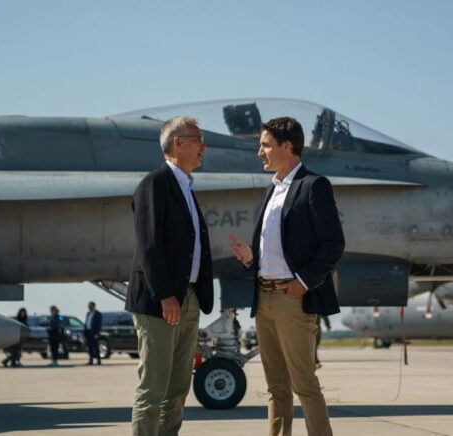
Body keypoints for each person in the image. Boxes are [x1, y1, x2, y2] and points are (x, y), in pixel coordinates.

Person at [229, 117, 345, 436]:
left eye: (265, 145)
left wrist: (303, 282)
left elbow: (333, 244)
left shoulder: (313, 185)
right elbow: (279, 248)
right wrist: (252, 259)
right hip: (263, 298)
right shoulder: (273, 190)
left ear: (287, 146)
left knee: (304, 385)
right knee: (276, 387)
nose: (259, 152)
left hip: (293, 300)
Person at [126, 116, 214, 436]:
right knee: (154, 390)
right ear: (178, 143)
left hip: (187, 299)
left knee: (177, 390)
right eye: (197, 139)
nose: (203, 146)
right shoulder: (155, 184)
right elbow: (149, 245)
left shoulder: (187, 187)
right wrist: (166, 294)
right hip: (160, 303)